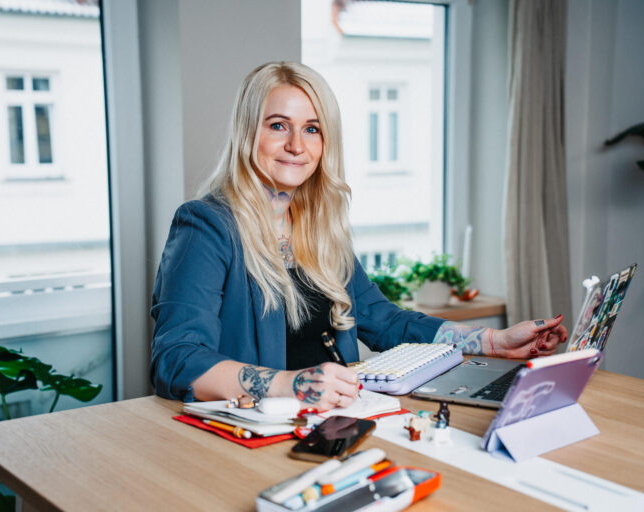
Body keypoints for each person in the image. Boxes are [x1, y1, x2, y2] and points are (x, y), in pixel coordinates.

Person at [150, 62, 567, 411]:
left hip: (340, 421)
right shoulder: (205, 225)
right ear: (247, 134)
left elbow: (385, 322)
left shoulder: (318, 228)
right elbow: (176, 359)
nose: (297, 145)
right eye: (278, 125)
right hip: (257, 434)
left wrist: (493, 341)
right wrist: (291, 384)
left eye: (312, 129)